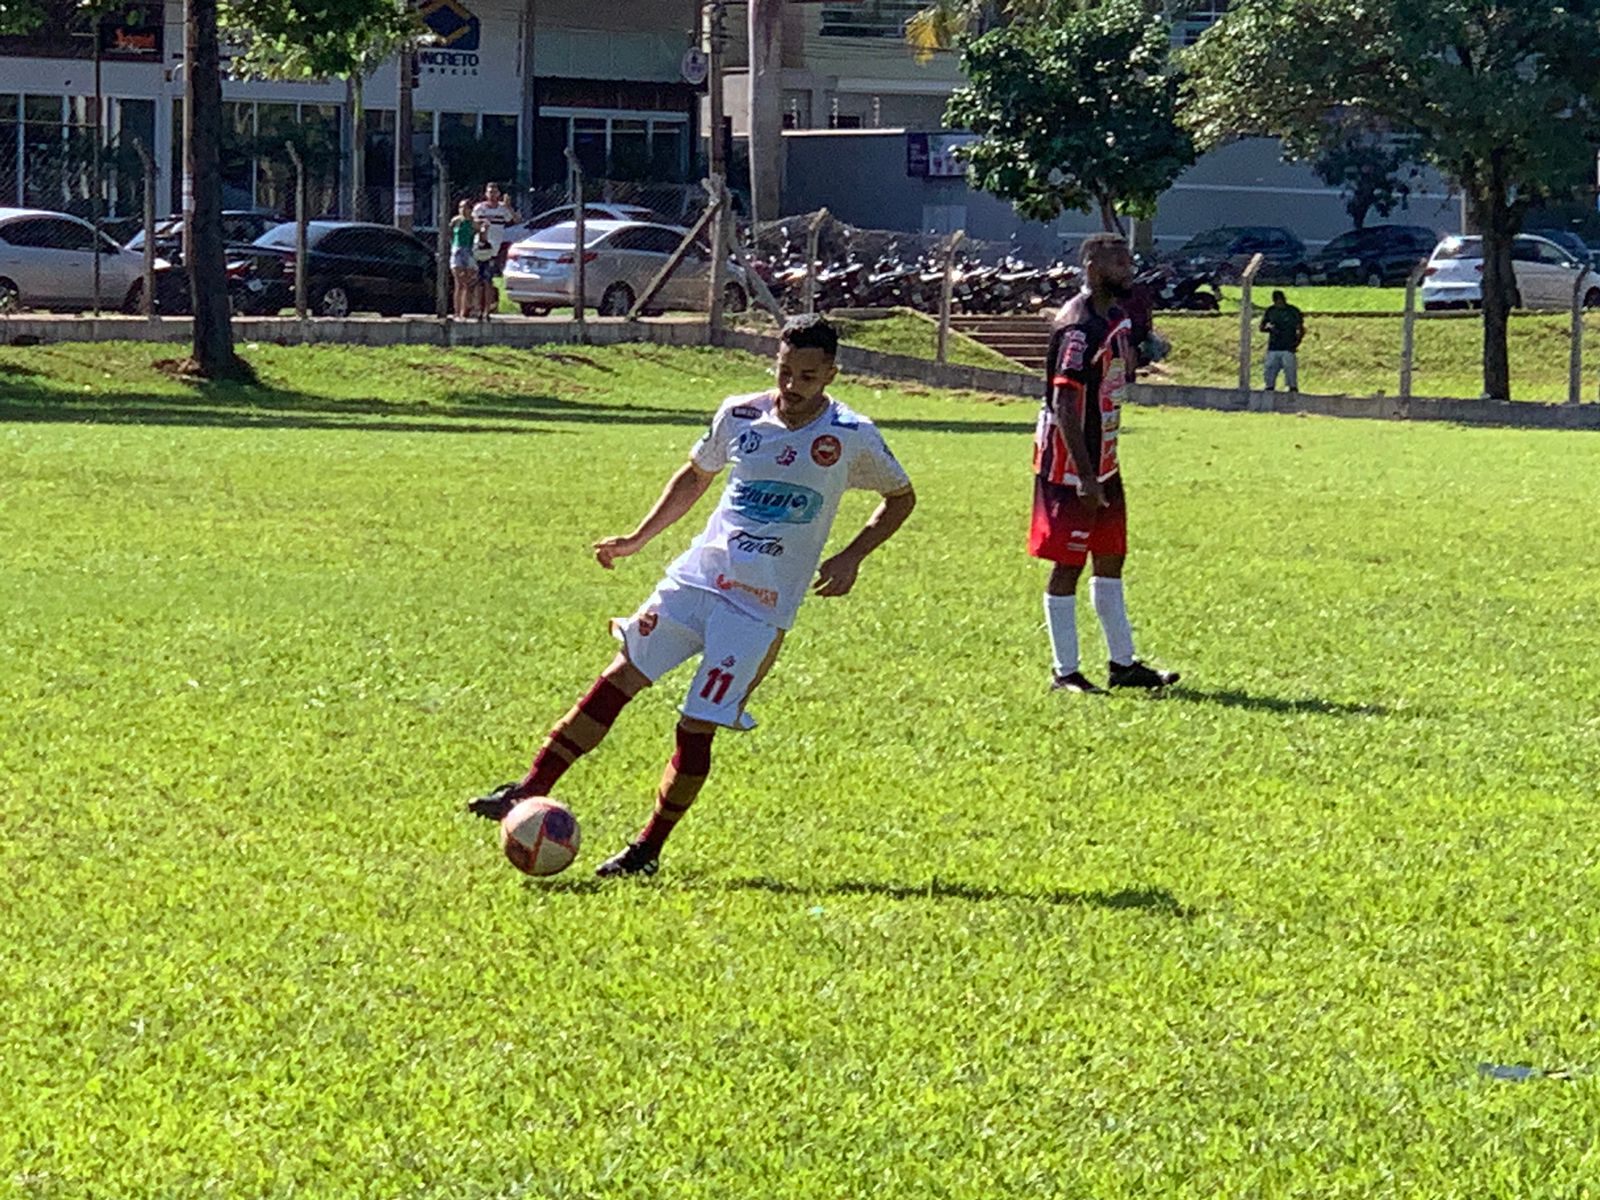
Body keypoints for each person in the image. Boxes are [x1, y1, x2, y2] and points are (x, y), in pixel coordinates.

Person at [468, 314, 917, 877]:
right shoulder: (740, 414)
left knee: (696, 723)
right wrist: (637, 538)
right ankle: (525, 791)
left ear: (830, 373)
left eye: (807, 374)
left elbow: (900, 497)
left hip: (759, 610)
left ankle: (647, 850)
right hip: (698, 580)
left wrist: (853, 555)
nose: (791, 384)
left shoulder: (851, 435)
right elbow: (694, 475)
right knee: (617, 678)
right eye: (784, 370)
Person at [1032, 232, 1179, 695]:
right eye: (1119, 264)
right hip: (1075, 468)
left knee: (1111, 557)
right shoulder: (1078, 328)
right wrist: (1086, 476)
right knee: (1068, 564)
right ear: (1093, 266)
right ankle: (1065, 671)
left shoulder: (1113, 317)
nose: (1129, 271)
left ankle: (1123, 664)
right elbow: (1063, 403)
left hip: (1105, 461)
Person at [472, 182, 518, 317]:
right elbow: (474, 225)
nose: (492, 195)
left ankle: (487, 309)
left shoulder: (503, 209)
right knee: (477, 280)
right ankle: (476, 308)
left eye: (495, 192)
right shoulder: (480, 208)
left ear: (498, 194)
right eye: (490, 192)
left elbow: (515, 220)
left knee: (488, 280)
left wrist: (509, 207)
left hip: (494, 250)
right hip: (480, 249)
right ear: (486, 194)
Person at [1260, 289, 1305, 392]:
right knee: (1270, 369)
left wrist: (1297, 342)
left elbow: (1300, 328)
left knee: (1290, 369)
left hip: (1288, 345)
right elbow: (1262, 327)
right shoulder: (1271, 311)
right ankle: (1269, 387)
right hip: (1273, 346)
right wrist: (1271, 329)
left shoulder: (1292, 311)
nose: (1280, 302)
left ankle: (1292, 388)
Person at [449, 199, 479, 319]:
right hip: (457, 250)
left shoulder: (473, 222)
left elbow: (478, 233)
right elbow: (450, 233)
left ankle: (464, 310)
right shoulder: (455, 221)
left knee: (467, 283)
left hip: (468, 251)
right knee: (459, 283)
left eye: (465, 207)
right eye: (460, 207)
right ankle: (456, 311)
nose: (462, 210)